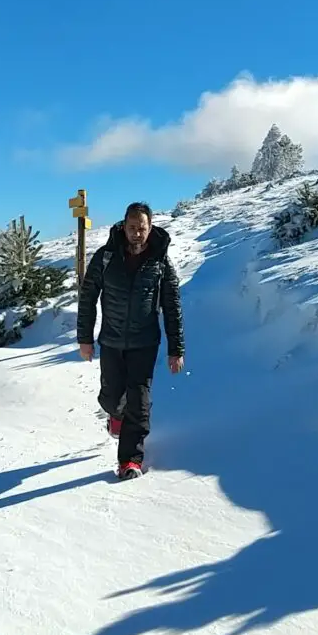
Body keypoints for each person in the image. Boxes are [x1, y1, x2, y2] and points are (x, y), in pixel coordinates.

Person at [77, 202, 184, 480]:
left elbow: (172, 306)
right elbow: (87, 298)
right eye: (133, 228)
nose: (137, 234)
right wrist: (85, 338)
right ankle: (116, 415)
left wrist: (176, 349)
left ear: (150, 229)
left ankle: (130, 460)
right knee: (112, 397)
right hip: (111, 341)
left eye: (143, 228)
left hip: (145, 343)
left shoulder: (160, 261)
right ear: (124, 227)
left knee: (139, 399)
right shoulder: (105, 257)